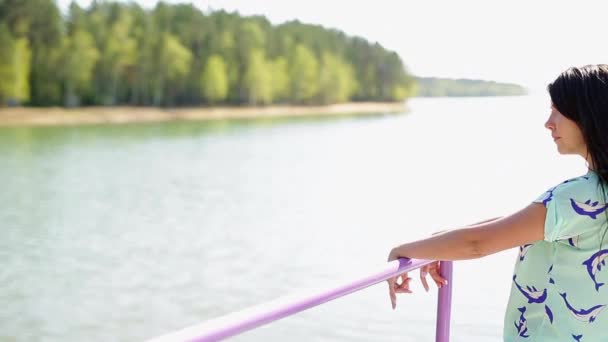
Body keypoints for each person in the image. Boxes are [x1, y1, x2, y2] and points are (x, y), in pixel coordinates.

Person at [386, 64, 608, 341]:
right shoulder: (591, 197)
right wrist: (440, 241)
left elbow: (477, 244)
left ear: (587, 115)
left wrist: (401, 250)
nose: (548, 123)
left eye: (557, 110)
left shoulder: (576, 197)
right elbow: (524, 222)